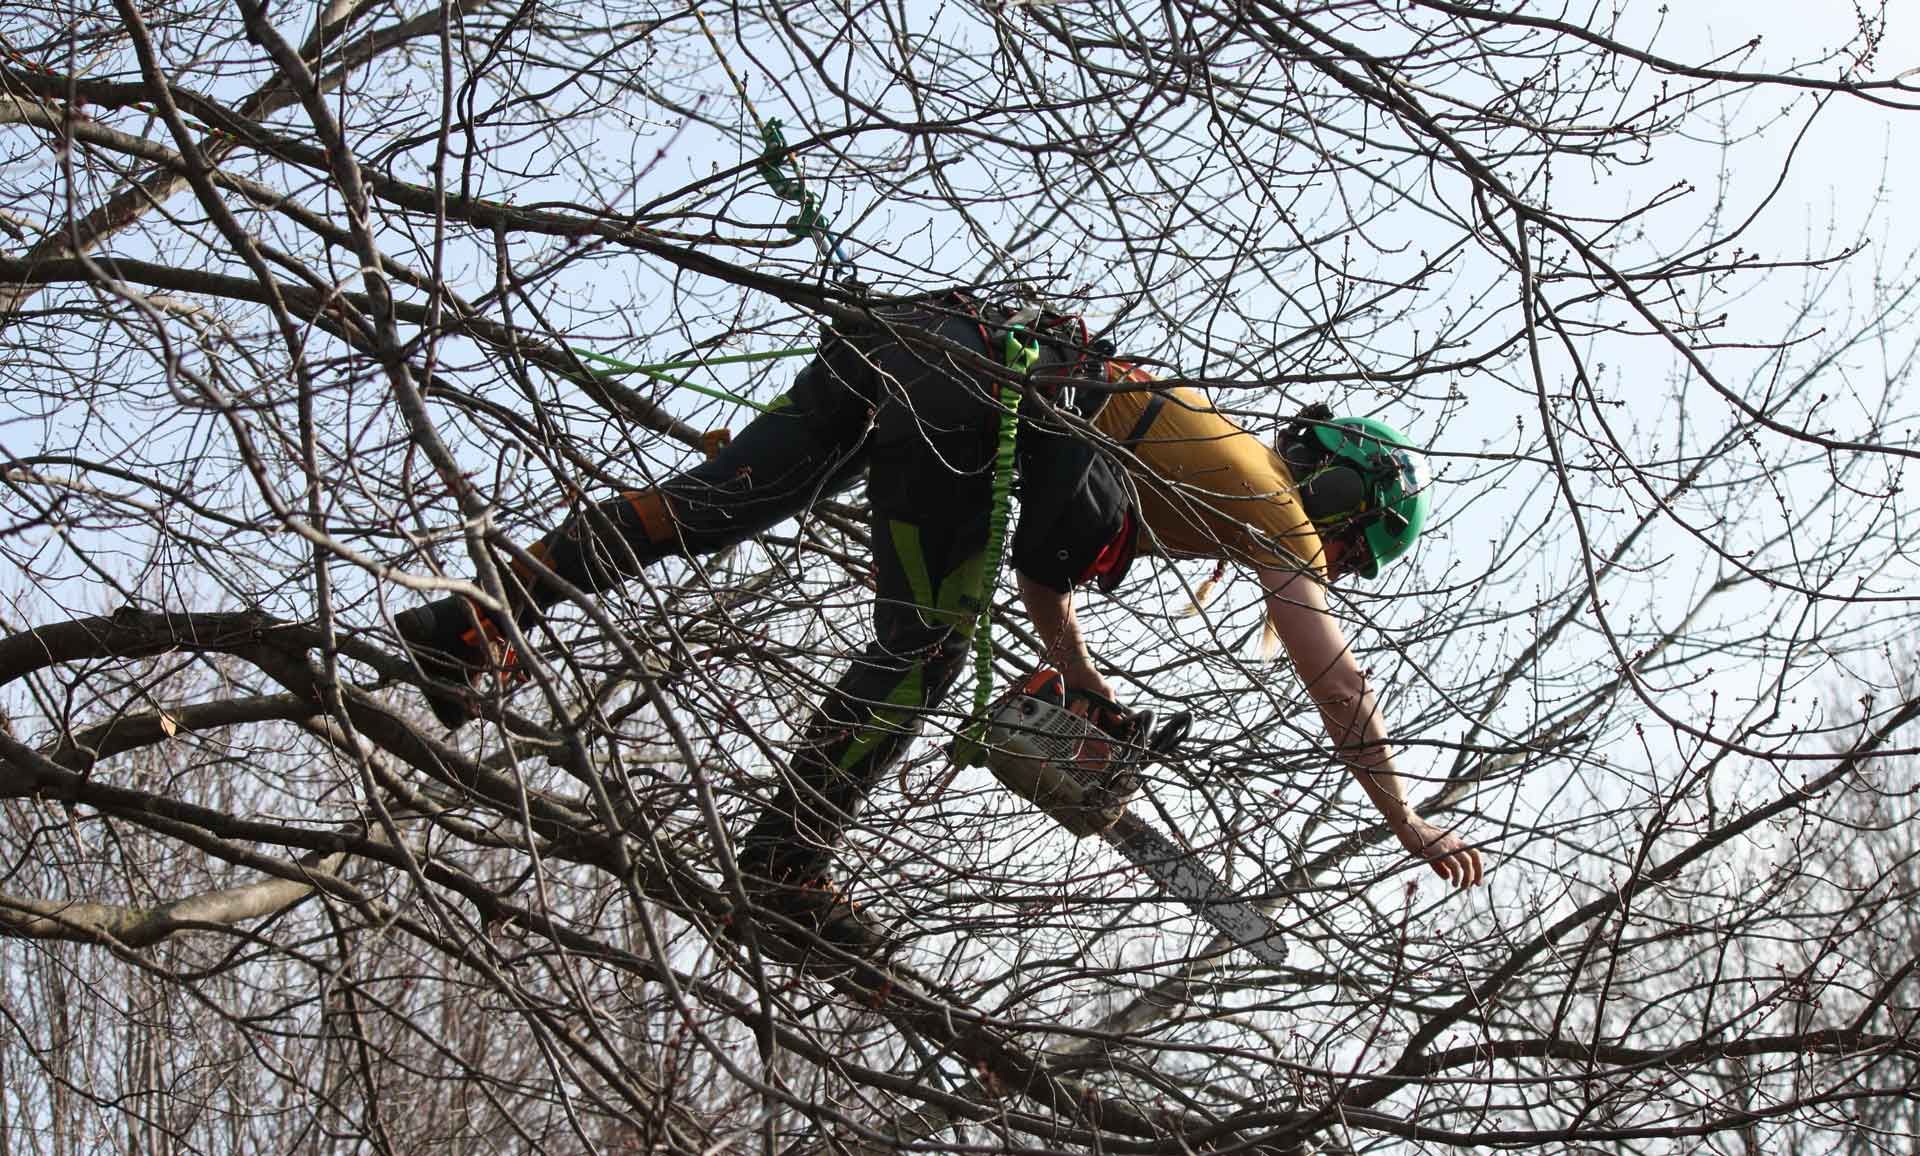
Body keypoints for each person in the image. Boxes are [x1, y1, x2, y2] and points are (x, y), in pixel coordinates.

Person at [394, 289, 1482, 948]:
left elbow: (1043, 576)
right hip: (967, 396)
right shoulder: (1276, 515)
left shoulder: (1197, 460)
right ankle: (785, 863)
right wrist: (1404, 820)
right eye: (1346, 549)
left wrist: (1082, 686)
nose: (1328, 564)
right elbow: (1340, 685)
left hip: (913, 343)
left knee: (705, 509)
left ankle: (469, 622)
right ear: (1343, 505)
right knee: (924, 643)